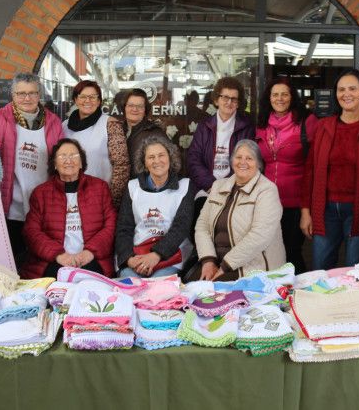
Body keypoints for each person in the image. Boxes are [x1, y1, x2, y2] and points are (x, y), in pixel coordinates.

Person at [300, 69, 359, 269]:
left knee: (355, 270)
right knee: (320, 269)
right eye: (341, 89)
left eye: (352, 88)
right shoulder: (324, 126)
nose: (346, 94)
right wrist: (306, 212)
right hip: (325, 210)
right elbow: (310, 172)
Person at [0, 72, 63, 266]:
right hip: (11, 204)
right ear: (12, 95)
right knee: (13, 260)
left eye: (32, 93)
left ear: (39, 95)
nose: (27, 98)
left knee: (39, 261)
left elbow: (60, 159)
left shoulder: (54, 122)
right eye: (21, 93)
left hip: (44, 206)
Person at [22, 139, 116, 279]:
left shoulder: (100, 188)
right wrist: (59, 255)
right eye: (62, 156)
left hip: (91, 259)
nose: (68, 160)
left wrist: (90, 252)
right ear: (54, 164)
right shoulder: (41, 193)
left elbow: (111, 226)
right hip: (54, 260)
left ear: (81, 162)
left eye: (73, 156)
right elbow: (32, 232)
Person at [194, 140, 286, 281]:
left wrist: (225, 266)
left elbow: (259, 236)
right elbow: (202, 227)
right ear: (232, 161)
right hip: (216, 263)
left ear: (259, 164)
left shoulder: (267, 190)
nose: (243, 162)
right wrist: (208, 261)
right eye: (238, 157)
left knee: (209, 296)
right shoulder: (218, 186)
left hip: (251, 268)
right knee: (189, 290)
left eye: (249, 158)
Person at [255, 77, 318, 274]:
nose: (279, 98)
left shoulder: (307, 121)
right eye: (275, 94)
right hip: (267, 200)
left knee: (291, 252)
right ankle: (275, 293)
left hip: (295, 202)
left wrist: (309, 209)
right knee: (266, 251)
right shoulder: (261, 123)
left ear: (292, 97)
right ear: (269, 98)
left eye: (284, 94)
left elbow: (315, 165)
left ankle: (297, 293)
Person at [114, 135, 196, 278]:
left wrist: (157, 255)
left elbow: (181, 228)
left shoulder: (185, 186)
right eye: (151, 157)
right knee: (128, 282)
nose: (157, 161)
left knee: (158, 285)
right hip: (137, 255)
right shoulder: (133, 187)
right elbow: (124, 228)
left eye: (161, 155)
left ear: (170, 158)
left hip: (171, 256)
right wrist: (130, 259)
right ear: (144, 163)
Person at [62, 80, 129, 208]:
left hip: (100, 199)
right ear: (75, 100)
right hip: (69, 198)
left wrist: (113, 201)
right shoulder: (64, 126)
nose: (88, 101)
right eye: (83, 96)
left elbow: (121, 166)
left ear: (99, 101)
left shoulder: (110, 124)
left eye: (93, 97)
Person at [187, 77, 255, 197]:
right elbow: (194, 159)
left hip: (235, 189)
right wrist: (212, 185)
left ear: (238, 103)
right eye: (225, 97)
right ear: (216, 100)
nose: (229, 102)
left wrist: (228, 186)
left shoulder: (247, 127)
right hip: (206, 188)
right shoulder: (204, 126)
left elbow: (249, 162)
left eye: (234, 99)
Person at [120, 88, 167, 179]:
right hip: (120, 188)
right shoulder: (117, 131)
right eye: (131, 105)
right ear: (124, 108)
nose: (135, 109)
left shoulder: (155, 133)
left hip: (144, 188)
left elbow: (169, 165)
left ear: (145, 110)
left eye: (140, 106)